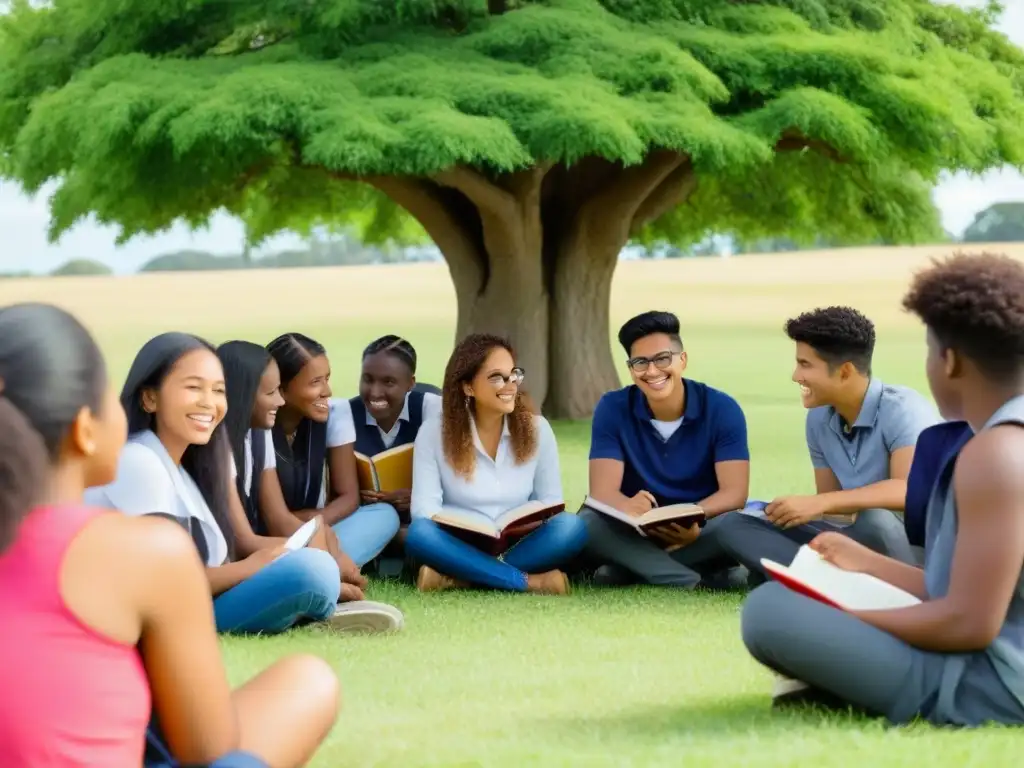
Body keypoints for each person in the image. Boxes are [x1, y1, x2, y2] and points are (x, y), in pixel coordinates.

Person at [0, 303, 339, 768]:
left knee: (306, 677)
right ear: (85, 430)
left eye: (217, 390)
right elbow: (209, 749)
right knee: (306, 685)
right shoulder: (146, 543)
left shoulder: (197, 469)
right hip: (192, 653)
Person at [741, 252, 1024, 726]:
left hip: (991, 685)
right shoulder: (999, 440)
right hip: (991, 661)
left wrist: (844, 619)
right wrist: (870, 565)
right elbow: (963, 592)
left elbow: (970, 623)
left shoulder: (997, 453)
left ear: (949, 361)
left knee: (768, 612)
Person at [86, 332, 378, 635]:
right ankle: (311, 607)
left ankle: (305, 606)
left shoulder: (186, 469)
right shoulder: (138, 461)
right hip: (166, 609)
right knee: (311, 570)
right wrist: (256, 564)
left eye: (218, 390)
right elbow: (165, 582)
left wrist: (269, 560)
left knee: (316, 561)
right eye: (193, 388)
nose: (209, 403)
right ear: (150, 397)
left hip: (198, 598)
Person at [713, 307, 940, 581]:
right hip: (856, 541)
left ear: (845, 372)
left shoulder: (904, 409)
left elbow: (909, 491)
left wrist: (819, 503)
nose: (796, 375)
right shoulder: (819, 419)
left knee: (875, 519)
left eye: (805, 364)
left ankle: (804, 576)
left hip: (918, 550)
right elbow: (833, 515)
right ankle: (822, 579)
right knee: (735, 524)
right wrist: (789, 513)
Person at [217, 340, 404, 631]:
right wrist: (316, 546)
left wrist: (317, 533)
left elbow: (283, 517)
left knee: (379, 517)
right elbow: (246, 540)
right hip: (245, 554)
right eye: (272, 392)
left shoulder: (257, 433)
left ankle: (320, 584)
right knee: (312, 566)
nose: (278, 401)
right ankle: (324, 594)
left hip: (279, 541)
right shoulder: (222, 446)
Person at [575, 310, 751, 589]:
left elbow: (735, 493)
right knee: (586, 523)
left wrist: (695, 518)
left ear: (683, 360)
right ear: (630, 368)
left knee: (737, 524)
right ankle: (690, 579)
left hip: (699, 530)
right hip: (633, 531)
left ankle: (630, 569)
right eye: (640, 362)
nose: (652, 371)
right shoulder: (613, 407)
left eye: (662, 359)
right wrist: (627, 506)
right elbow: (602, 491)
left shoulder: (722, 409)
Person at [405, 333, 588, 594]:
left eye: (513, 374)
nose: (510, 384)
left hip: (520, 543)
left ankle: (463, 577)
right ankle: (527, 582)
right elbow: (424, 511)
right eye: (496, 377)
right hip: (459, 543)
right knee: (420, 534)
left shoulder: (538, 430)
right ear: (468, 387)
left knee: (572, 527)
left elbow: (551, 503)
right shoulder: (434, 432)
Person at [267, 333, 401, 568]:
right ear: (282, 389)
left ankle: (315, 564)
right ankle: (323, 565)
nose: (327, 391)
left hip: (318, 526)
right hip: (267, 535)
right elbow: (266, 519)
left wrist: (314, 522)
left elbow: (349, 497)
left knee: (384, 515)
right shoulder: (259, 426)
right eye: (315, 382)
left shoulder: (336, 412)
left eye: (327, 379)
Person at [351, 336, 441, 551]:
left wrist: (419, 496)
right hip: (368, 517)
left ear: (411, 383)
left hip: (424, 518)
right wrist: (358, 498)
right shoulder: (346, 414)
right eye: (367, 379)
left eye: (388, 382)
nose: (374, 392)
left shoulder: (433, 410)